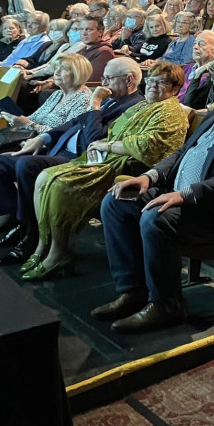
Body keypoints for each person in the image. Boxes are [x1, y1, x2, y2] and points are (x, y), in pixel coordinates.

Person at [93, 59, 214, 332]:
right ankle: (132, 291)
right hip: (177, 195)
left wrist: (186, 194)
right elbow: (181, 153)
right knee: (116, 202)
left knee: (155, 218)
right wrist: (150, 176)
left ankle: (167, 305)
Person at [24, 62, 187, 281]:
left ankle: (58, 253)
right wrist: (99, 147)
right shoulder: (141, 106)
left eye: (162, 82)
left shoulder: (171, 111)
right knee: (44, 177)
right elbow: (111, 133)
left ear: (175, 88)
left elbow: (145, 146)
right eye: (152, 79)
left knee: (59, 184)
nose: (153, 85)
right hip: (106, 160)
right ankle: (43, 245)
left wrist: (105, 146)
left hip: (128, 169)